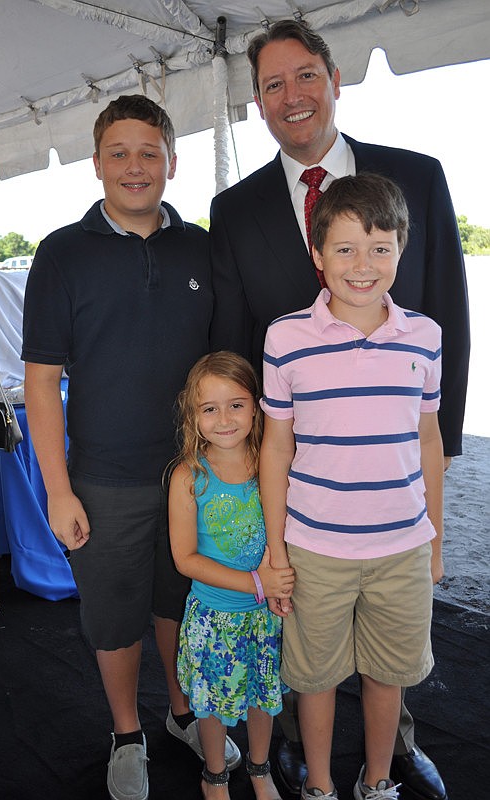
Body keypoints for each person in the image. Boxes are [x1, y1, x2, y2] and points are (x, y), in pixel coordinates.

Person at [209, 18, 467, 799]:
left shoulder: (414, 176)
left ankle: (390, 757)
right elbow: (235, 344)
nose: (292, 96)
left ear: (334, 78)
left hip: (395, 474)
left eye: (304, 76)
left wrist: (440, 460)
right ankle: (301, 754)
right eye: (272, 85)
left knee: (392, 646)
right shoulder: (234, 206)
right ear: (257, 102)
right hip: (307, 490)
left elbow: (447, 312)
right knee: (309, 642)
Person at [21, 95, 240, 800]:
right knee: (113, 615)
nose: (134, 166)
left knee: (179, 603)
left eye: (149, 151)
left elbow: (227, 372)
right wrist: (57, 489)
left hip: (193, 477)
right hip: (104, 481)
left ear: (172, 162)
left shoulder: (203, 246)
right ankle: (125, 732)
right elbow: (40, 380)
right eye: (119, 152)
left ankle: (180, 712)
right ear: (96, 164)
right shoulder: (60, 253)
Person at [259, 172, 444, 800]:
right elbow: (277, 447)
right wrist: (276, 550)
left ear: (401, 250)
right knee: (313, 678)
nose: (362, 265)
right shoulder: (285, 340)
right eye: (344, 249)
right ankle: (318, 783)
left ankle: (380, 778)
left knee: (388, 676)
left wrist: (435, 544)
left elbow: (429, 441)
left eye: (380, 248)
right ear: (316, 255)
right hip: (315, 550)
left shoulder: (425, 336)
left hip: (402, 549)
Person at [168, 351, 295, 800]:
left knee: (264, 696)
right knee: (212, 706)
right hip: (214, 620)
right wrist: (257, 584)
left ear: (257, 405)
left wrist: (274, 577)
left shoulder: (270, 464)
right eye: (210, 408)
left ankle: (259, 769)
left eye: (236, 404)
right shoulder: (189, 477)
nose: (224, 418)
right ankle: (215, 776)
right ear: (193, 414)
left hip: (265, 619)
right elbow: (185, 558)